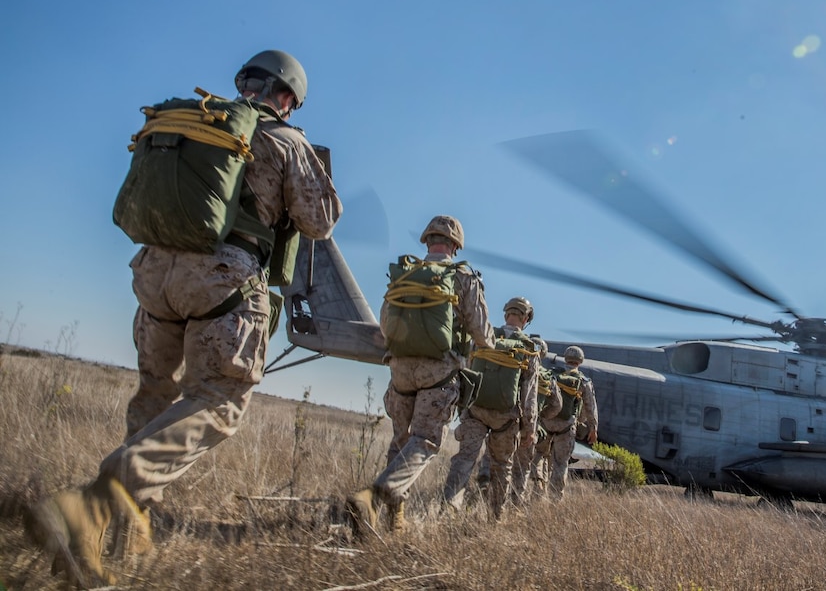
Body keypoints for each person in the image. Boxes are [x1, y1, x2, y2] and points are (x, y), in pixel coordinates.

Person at [27, 50, 341, 587]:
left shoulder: (194, 120)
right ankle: (96, 504)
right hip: (223, 277)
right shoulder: (286, 139)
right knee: (219, 402)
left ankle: (121, 534)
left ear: (244, 82)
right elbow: (320, 221)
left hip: (154, 272)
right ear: (288, 97)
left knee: (155, 393)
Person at [349, 215, 495, 533]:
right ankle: (374, 496)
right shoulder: (463, 276)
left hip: (400, 370)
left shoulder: (406, 272)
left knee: (401, 441)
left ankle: (395, 520)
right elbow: (483, 334)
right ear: (456, 245)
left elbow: (385, 323)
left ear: (427, 240)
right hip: (438, 372)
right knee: (425, 441)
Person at [443, 296, 541, 518]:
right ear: (526, 318)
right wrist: (529, 428)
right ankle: (495, 516)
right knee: (502, 466)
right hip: (506, 418)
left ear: (506, 314)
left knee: (465, 459)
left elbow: (466, 372)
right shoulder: (529, 349)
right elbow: (529, 395)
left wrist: (463, 410)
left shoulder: (483, 337)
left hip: (476, 411)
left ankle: (449, 507)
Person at [532, 345, 598, 499]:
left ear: (566, 358)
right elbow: (590, 407)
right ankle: (556, 498)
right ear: (580, 361)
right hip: (566, 427)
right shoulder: (583, 381)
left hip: (546, 423)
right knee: (560, 463)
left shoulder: (552, 375)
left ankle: (538, 489)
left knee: (540, 455)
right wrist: (593, 428)